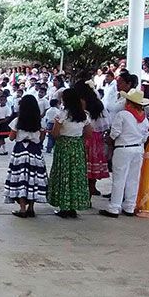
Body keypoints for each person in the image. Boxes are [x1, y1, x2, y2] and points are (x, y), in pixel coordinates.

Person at [99, 89, 149, 218]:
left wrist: (108, 140)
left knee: (119, 179)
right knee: (133, 179)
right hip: (138, 149)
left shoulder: (122, 115)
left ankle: (114, 207)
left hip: (123, 148)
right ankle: (129, 206)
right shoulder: (144, 119)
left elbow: (115, 133)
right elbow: (145, 136)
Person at [48, 89, 92, 218]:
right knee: (76, 176)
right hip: (77, 146)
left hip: (64, 146)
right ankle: (73, 206)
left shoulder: (62, 115)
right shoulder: (84, 115)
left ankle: (64, 206)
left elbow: (55, 133)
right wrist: (78, 139)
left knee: (64, 174)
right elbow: (89, 133)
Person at [4, 95, 48, 218]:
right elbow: (41, 138)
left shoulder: (17, 121)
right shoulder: (40, 121)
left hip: (20, 151)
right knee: (33, 179)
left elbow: (11, 137)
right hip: (34, 151)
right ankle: (31, 208)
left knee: (20, 179)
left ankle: (22, 208)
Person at [75, 81, 110, 196]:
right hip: (97, 137)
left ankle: (84, 189)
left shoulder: (81, 103)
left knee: (84, 164)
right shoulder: (98, 104)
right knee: (93, 163)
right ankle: (92, 186)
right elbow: (106, 122)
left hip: (84, 136)